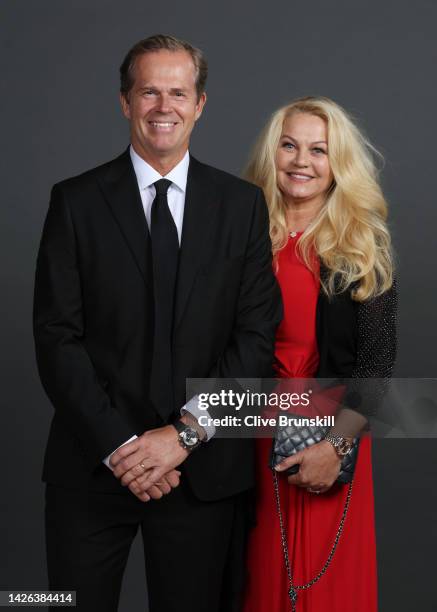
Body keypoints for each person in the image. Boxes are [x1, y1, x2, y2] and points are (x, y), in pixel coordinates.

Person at [33, 34, 282, 612]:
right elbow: (56, 339)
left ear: (200, 104)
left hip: (202, 473)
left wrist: (183, 436)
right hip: (92, 467)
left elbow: (254, 341)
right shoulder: (75, 202)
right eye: (149, 92)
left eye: (178, 92)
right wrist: (123, 447)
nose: (162, 106)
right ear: (125, 102)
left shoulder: (241, 205)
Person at [243, 96, 397, 611]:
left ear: (339, 164)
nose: (301, 161)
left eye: (318, 150)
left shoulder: (360, 246)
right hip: (250, 429)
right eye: (289, 145)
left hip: (335, 434)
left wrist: (338, 448)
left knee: (327, 586)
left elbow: (376, 364)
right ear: (272, 153)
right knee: (259, 578)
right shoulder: (237, 237)